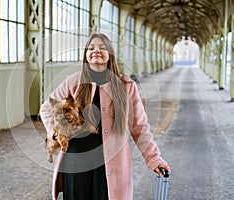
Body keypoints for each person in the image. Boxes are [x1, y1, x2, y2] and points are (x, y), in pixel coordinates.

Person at [40, 32, 170, 200]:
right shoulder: (73, 82)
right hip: (76, 162)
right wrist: (56, 132)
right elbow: (46, 108)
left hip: (111, 166)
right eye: (91, 48)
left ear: (110, 55)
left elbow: (140, 127)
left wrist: (155, 159)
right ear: (86, 54)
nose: (96, 51)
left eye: (102, 48)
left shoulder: (126, 86)